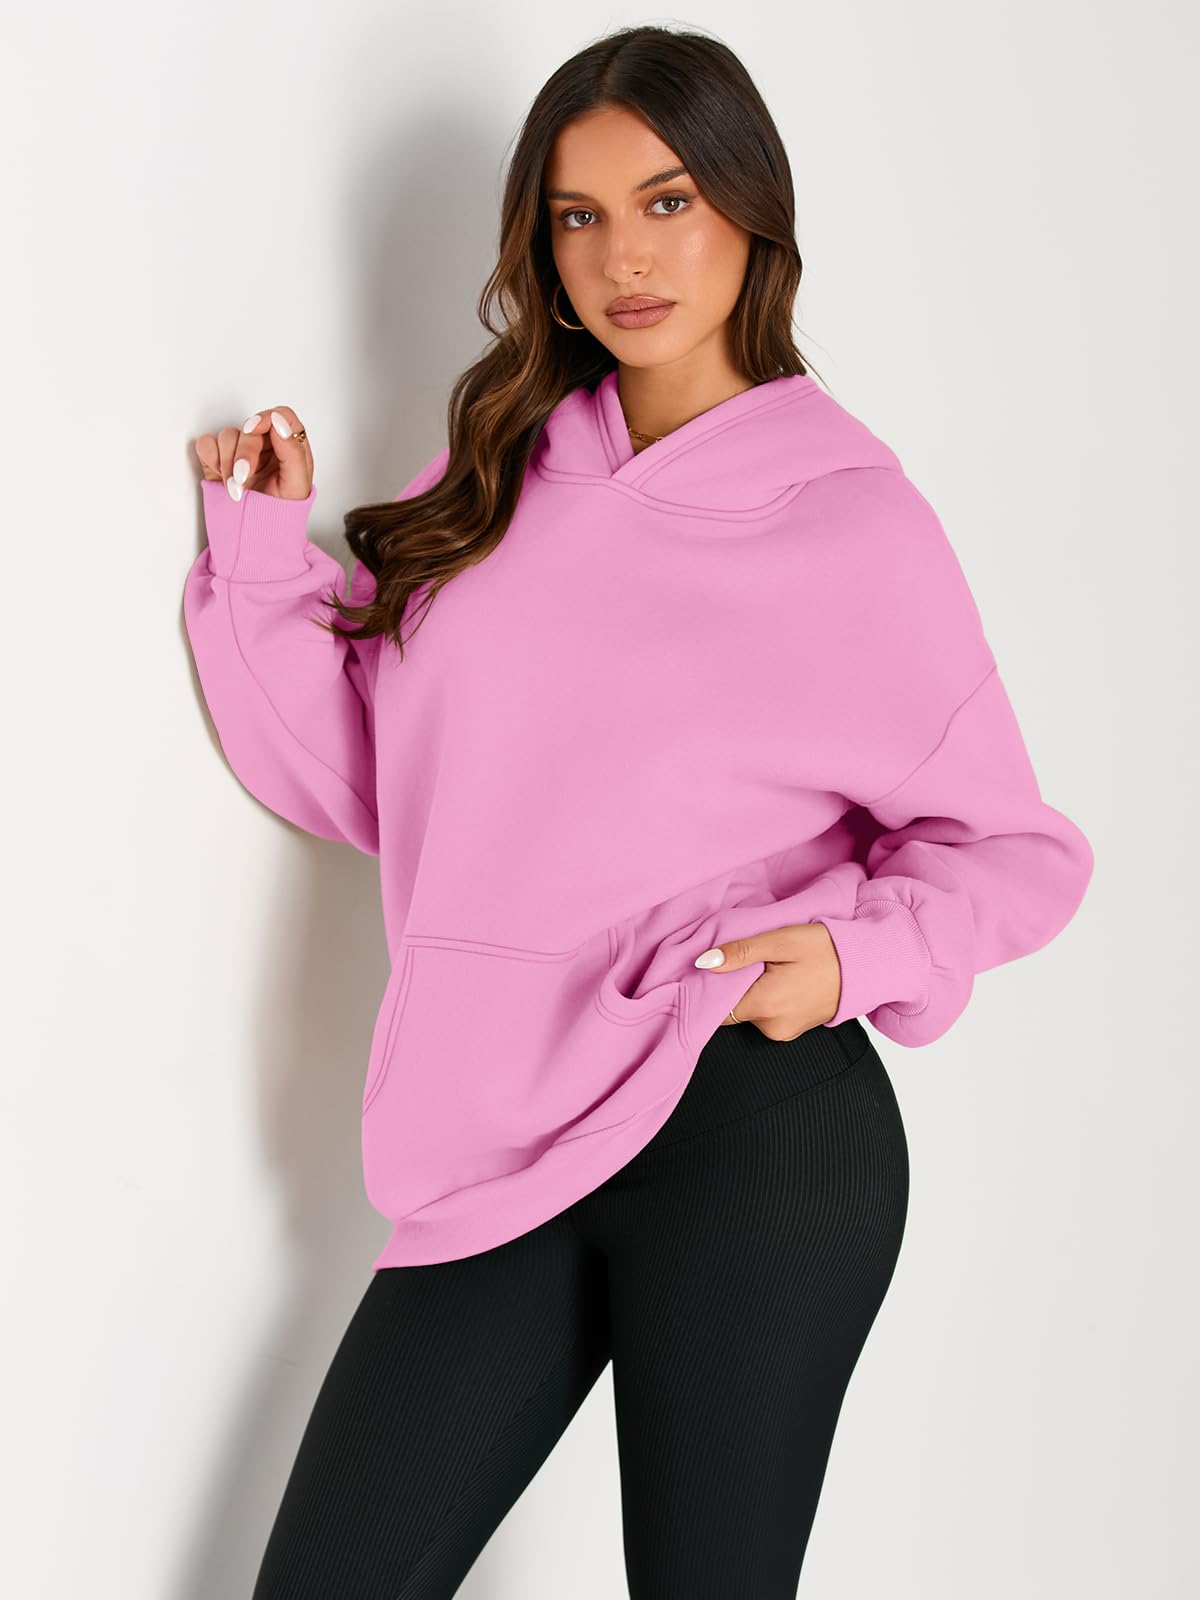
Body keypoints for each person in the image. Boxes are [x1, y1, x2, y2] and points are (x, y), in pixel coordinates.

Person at [183, 24, 1094, 1599]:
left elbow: (1014, 850)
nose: (626, 258)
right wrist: (261, 556)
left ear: (751, 211)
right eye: (579, 216)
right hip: (502, 1132)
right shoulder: (499, 466)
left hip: (753, 1121)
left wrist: (852, 956)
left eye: (669, 202)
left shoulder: (855, 522)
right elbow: (374, 777)